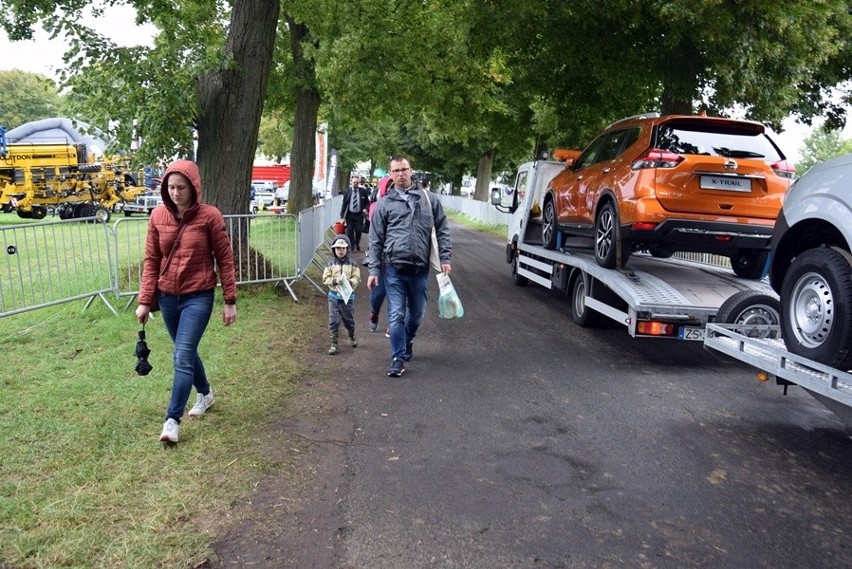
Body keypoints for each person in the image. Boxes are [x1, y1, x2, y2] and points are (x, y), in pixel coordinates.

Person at [136, 159, 237, 444]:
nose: (176, 192)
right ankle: (205, 393)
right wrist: (145, 301)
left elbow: (225, 260)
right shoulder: (157, 216)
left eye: (181, 187)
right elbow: (152, 261)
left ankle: (172, 420)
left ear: (193, 187)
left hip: (198, 296)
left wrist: (229, 300)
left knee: (181, 355)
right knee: (186, 352)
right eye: (171, 187)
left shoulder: (210, 216)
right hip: (167, 297)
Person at [367, 156, 452, 377]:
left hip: (419, 269)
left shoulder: (429, 199)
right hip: (393, 268)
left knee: (416, 315)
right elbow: (375, 239)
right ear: (390, 174)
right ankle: (397, 358)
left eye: (404, 169)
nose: (401, 174)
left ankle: (408, 339)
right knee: (395, 314)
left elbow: (442, 229)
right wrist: (374, 271)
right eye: (396, 171)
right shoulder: (385, 203)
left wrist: (445, 258)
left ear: (411, 171)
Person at [322, 234, 361, 355]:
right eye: (338, 248)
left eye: (343, 248)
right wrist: (334, 281)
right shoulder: (330, 264)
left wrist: (349, 282)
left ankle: (352, 335)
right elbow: (325, 278)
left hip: (347, 298)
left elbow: (357, 278)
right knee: (333, 320)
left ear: (347, 249)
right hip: (333, 296)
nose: (340, 250)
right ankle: (334, 344)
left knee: (348, 320)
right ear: (334, 250)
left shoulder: (353, 264)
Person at [367, 176, 391, 335]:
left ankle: (392, 323)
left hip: (398, 260)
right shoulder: (376, 207)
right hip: (382, 260)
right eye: (389, 188)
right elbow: (374, 237)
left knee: (395, 294)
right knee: (379, 294)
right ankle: (375, 312)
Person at [339, 174, 370, 251]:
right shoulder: (347, 191)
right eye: (354, 182)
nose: (355, 184)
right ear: (351, 182)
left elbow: (367, 202)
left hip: (359, 214)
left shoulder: (363, 191)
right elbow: (344, 204)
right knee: (349, 231)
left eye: (357, 182)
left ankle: (357, 242)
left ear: (359, 183)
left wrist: (366, 209)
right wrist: (342, 217)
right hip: (349, 215)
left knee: (358, 230)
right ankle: (352, 246)